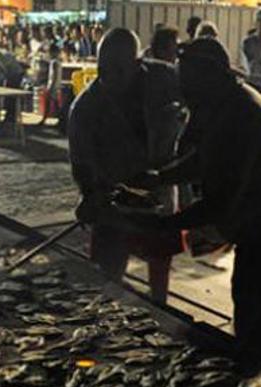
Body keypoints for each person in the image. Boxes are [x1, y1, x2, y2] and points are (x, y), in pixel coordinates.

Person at [130, 38, 261, 370]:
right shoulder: (219, 102)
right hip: (259, 227)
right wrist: (159, 177)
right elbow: (203, 160)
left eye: (188, 79)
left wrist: (160, 224)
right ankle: (249, 374)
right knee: (247, 310)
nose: (183, 87)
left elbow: (219, 203)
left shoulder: (239, 113)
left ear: (211, 75)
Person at [68, 28, 185, 304]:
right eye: (103, 69)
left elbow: (199, 104)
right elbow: (81, 159)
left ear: (136, 63)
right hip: (112, 198)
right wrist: (89, 194)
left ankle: (159, 307)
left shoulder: (166, 78)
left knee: (159, 262)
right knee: (108, 278)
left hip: (159, 189)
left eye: (118, 69)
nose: (109, 77)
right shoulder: (85, 107)